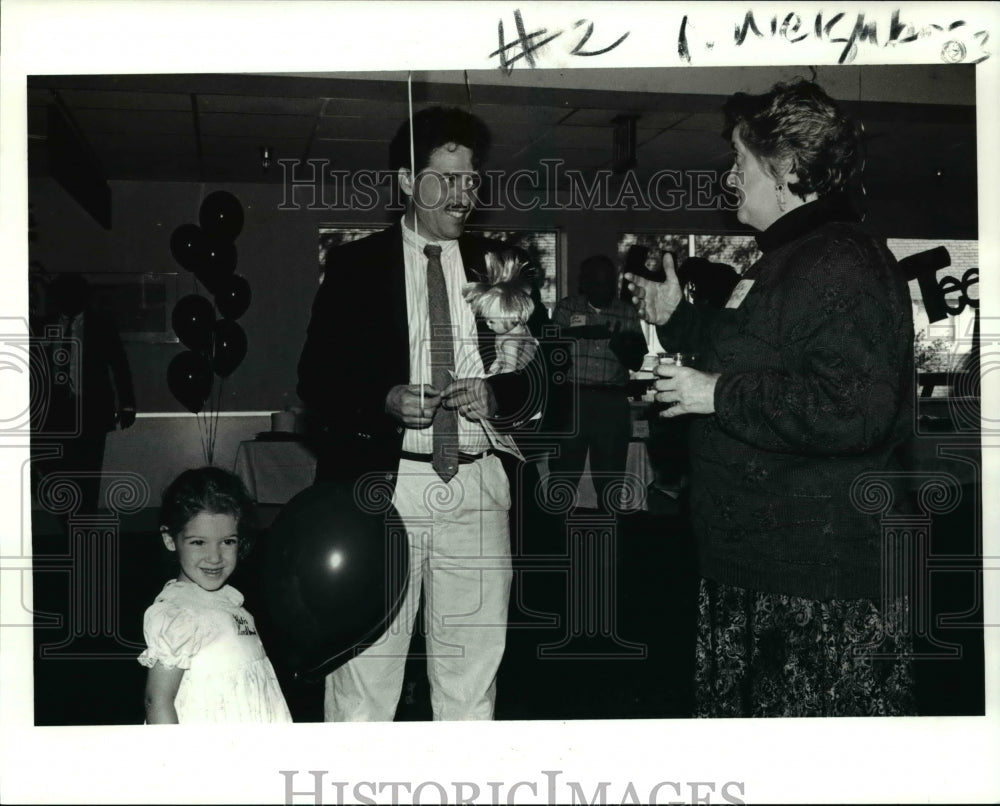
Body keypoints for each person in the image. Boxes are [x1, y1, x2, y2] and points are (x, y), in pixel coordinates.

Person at [625, 79, 916, 717]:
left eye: (741, 162)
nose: (732, 178)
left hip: (818, 584)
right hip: (759, 568)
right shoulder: (785, 259)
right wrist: (677, 320)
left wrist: (717, 395)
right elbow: (751, 350)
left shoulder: (840, 260)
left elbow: (855, 410)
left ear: (784, 168)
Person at [297, 106, 546, 721]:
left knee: (472, 676)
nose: (464, 194)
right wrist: (383, 399)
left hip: (479, 485)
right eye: (446, 178)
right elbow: (316, 381)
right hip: (386, 488)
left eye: (472, 179)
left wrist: (500, 396)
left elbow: (544, 380)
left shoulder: (502, 266)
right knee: (364, 676)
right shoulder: (356, 268)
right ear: (408, 182)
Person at [139, 467, 292, 724]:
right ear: (170, 540)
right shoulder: (179, 613)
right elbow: (157, 700)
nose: (215, 557)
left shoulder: (232, 601)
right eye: (199, 542)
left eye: (228, 542)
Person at [549, 253, 647, 515]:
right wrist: (579, 333)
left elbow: (637, 362)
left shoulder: (626, 313)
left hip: (611, 402)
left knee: (611, 478)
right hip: (572, 401)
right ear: (585, 283)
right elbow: (548, 345)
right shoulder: (567, 308)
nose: (603, 289)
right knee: (563, 475)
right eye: (597, 283)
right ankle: (558, 543)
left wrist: (619, 345)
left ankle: (610, 540)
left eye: (608, 283)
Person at [35, 273, 137, 516]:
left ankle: (84, 526)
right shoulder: (43, 326)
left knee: (88, 477)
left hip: (91, 414)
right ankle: (68, 523)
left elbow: (120, 366)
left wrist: (127, 405)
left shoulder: (101, 326)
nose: (69, 301)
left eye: (74, 296)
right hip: (53, 416)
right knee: (56, 476)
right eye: (64, 296)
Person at [463, 250, 538, 374]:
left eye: (491, 321)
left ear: (509, 317)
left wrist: (493, 378)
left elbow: (509, 370)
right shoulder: (514, 331)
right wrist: (492, 370)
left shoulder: (510, 342)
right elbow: (500, 358)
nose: (487, 324)